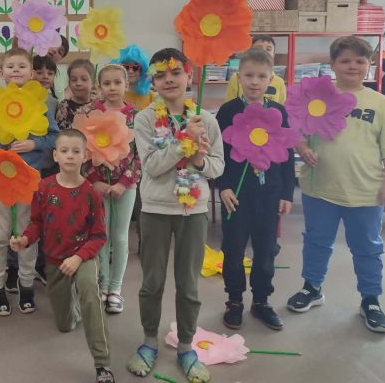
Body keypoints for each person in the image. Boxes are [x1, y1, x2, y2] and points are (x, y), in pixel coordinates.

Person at [287, 36, 385, 333]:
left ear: (369, 66)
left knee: (367, 247)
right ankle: (312, 287)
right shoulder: (317, 97)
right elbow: (296, 132)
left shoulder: (380, 104)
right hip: (320, 189)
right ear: (332, 65)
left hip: (365, 193)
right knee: (316, 241)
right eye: (345, 61)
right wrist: (303, 148)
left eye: (360, 61)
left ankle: (371, 300)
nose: (352, 66)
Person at [126, 49, 223, 383]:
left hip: (193, 211)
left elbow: (217, 166)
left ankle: (185, 347)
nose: (168, 80)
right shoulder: (145, 120)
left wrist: (199, 160)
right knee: (152, 282)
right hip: (155, 209)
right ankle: (149, 342)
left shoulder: (206, 120)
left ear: (189, 76)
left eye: (176, 72)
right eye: (160, 75)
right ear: (152, 81)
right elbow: (152, 166)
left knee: (189, 284)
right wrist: (184, 142)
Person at [11, 130, 114, 383]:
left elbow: (99, 236)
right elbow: (37, 223)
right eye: (64, 151)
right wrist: (25, 239)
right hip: (55, 261)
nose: (70, 156)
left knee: (89, 290)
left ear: (85, 156)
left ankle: (102, 364)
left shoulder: (91, 194)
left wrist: (79, 258)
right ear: (55, 155)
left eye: (76, 151)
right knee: (65, 324)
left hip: (83, 257)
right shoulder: (44, 187)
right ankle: (72, 307)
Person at [216, 49, 296, 331]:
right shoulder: (228, 111)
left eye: (261, 76)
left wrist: (287, 193)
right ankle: (234, 300)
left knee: (265, 250)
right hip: (236, 196)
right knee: (233, 248)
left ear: (271, 79)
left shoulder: (278, 112)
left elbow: (287, 155)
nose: (254, 81)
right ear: (238, 77)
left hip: (270, 193)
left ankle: (261, 301)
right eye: (248, 75)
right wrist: (223, 186)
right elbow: (218, 154)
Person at [0, 48, 59, 316]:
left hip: (29, 181)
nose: (16, 70)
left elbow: (54, 138)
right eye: (10, 66)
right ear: (1, 73)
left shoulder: (41, 103)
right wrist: (2, 151)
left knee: (27, 235)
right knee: (0, 237)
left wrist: (34, 144)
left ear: (32, 73)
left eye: (22, 66)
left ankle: (26, 287)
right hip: (0, 181)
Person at [79, 64, 141, 314]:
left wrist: (123, 183)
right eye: (107, 83)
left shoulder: (136, 115)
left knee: (121, 236)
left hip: (126, 186)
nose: (112, 88)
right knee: (101, 235)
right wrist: (96, 181)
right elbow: (84, 152)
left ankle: (115, 289)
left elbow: (139, 155)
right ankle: (103, 284)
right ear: (99, 86)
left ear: (127, 84)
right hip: (98, 186)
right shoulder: (91, 113)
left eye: (117, 82)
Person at [225, 35, 286, 104]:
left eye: (268, 49)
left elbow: (281, 106)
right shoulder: (236, 79)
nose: (263, 52)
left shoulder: (279, 82)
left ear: (274, 54)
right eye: (258, 48)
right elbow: (229, 105)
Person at [113, 44, 157, 110]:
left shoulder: (152, 97)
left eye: (135, 67)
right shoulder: (114, 95)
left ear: (142, 70)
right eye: (126, 67)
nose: (130, 71)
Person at [57, 58, 96, 129]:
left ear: (92, 82)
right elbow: (60, 131)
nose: (78, 83)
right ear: (69, 83)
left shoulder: (98, 105)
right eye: (74, 80)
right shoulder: (64, 106)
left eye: (84, 79)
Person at [47, 34, 70, 100]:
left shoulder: (63, 78)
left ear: (61, 59)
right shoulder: (27, 65)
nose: (54, 50)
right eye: (52, 44)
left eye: (60, 52)